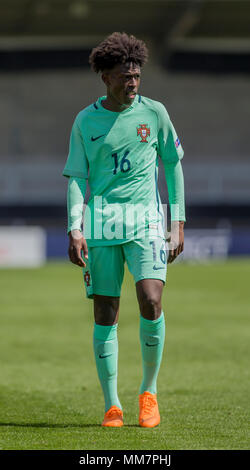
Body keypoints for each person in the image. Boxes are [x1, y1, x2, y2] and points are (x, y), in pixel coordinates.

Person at [63, 32, 185, 428]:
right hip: (100, 225)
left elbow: (173, 164)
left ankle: (148, 392)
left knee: (151, 300)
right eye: (123, 77)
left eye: (136, 76)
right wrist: (74, 227)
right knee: (105, 312)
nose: (131, 83)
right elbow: (77, 177)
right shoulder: (85, 120)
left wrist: (177, 222)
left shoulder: (155, 113)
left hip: (147, 223)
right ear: (105, 78)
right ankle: (112, 404)